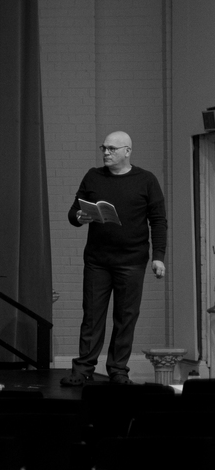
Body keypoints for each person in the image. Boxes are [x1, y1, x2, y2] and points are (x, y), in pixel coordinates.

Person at [63, 131, 167, 386]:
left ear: (127, 151)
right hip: (98, 260)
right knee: (92, 315)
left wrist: (159, 257)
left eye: (111, 148)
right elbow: (74, 211)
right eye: (104, 148)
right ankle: (83, 368)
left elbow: (158, 221)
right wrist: (80, 217)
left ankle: (118, 369)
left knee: (126, 316)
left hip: (132, 260)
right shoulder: (93, 176)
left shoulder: (146, 180)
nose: (106, 153)